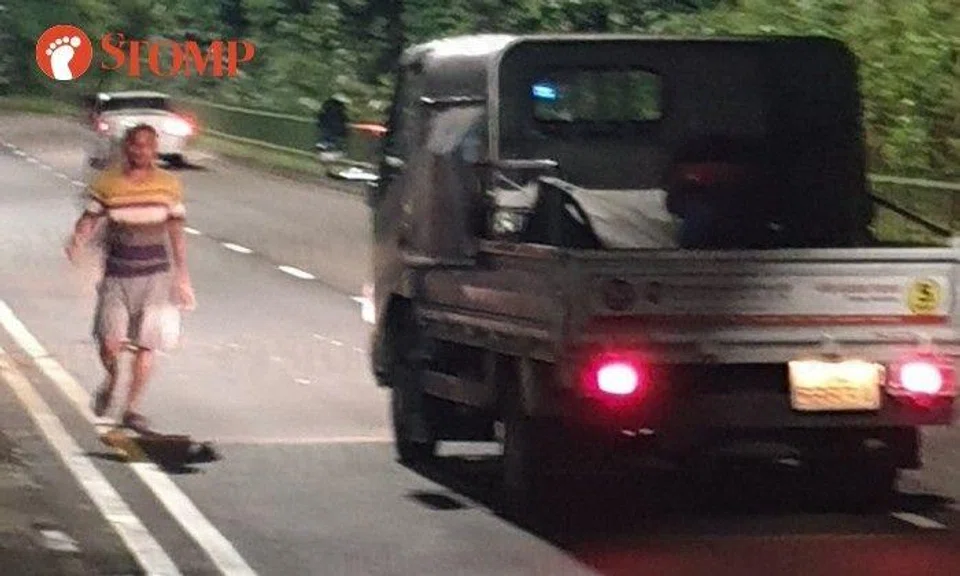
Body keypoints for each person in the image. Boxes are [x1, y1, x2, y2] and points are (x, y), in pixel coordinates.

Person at [65, 124, 196, 431]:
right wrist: (77, 240)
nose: (140, 151)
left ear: (155, 149)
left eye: (147, 146)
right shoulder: (108, 183)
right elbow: (90, 216)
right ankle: (112, 378)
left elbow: (176, 230)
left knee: (146, 344)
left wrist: (182, 275)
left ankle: (131, 408)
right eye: (135, 145)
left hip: (156, 277)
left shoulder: (168, 185)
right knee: (109, 342)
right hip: (117, 274)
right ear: (126, 148)